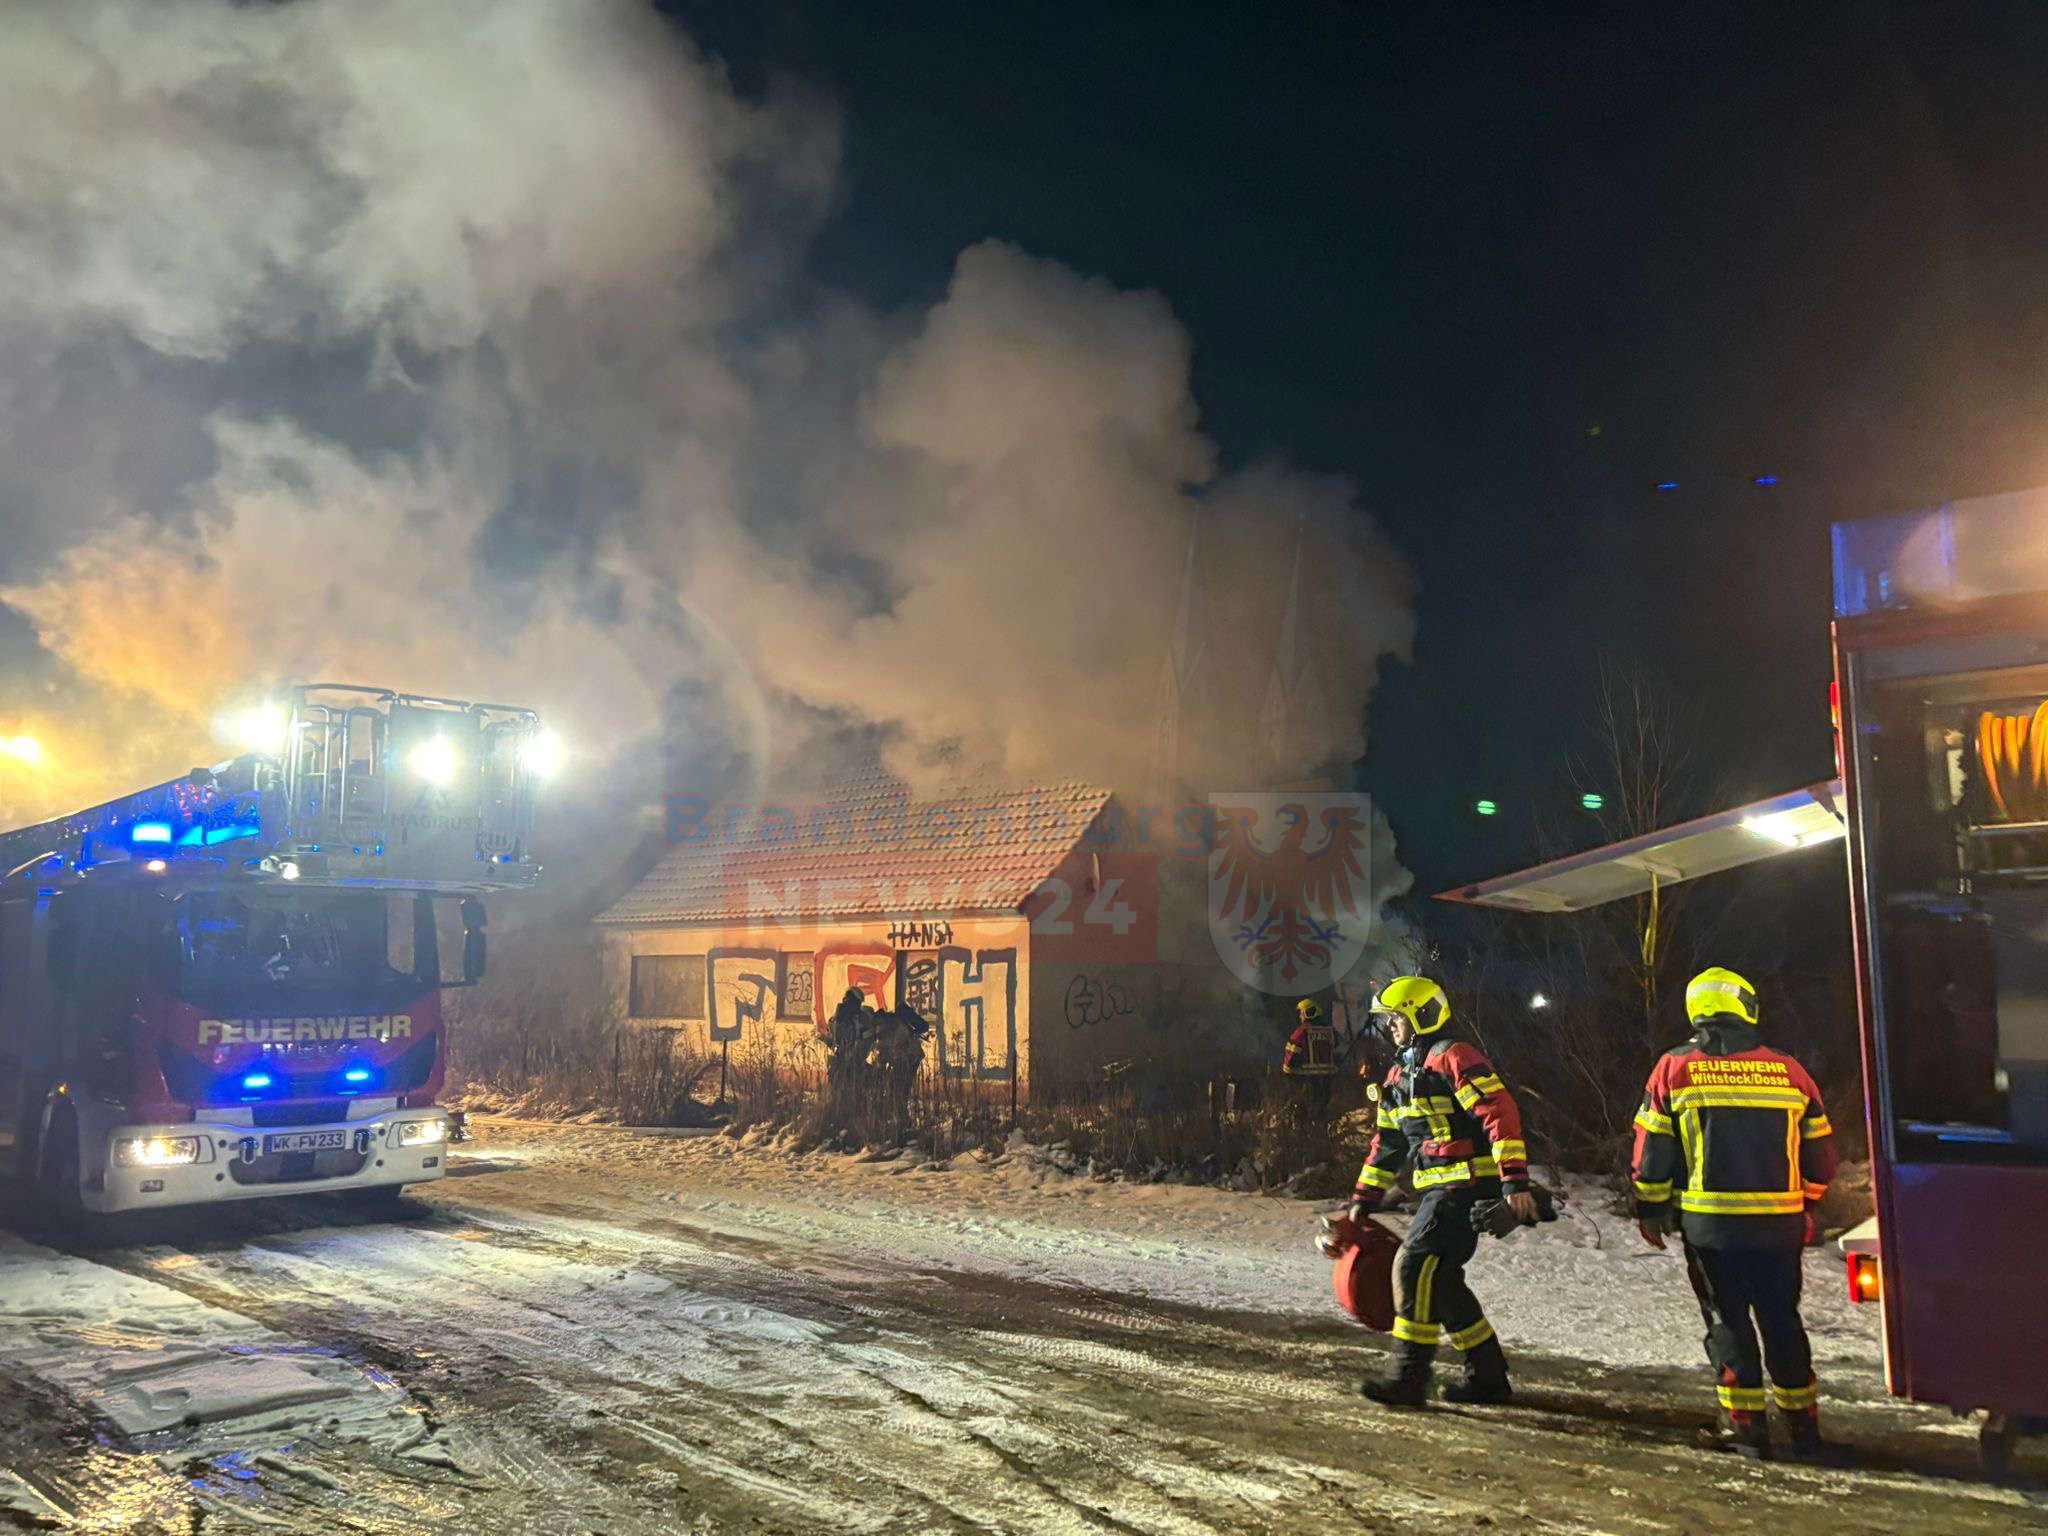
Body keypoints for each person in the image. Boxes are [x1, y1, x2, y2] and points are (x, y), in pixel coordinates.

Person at [1632, 966, 1839, 1460]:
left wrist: (1651, 1208)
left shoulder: (1674, 1068)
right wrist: (1804, 1203)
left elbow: (1651, 1150)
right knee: (1782, 1320)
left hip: (1711, 1231)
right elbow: (1823, 1158)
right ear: (1745, 1006)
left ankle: (1745, 1428)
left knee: (1728, 1323)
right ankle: (1803, 1429)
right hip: (1779, 1229)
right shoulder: (1789, 1070)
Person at [1348, 975, 1534, 1407]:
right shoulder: (1399, 1075)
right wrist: (1364, 1198)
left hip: (1465, 1187)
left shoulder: (1454, 1057)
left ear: (1421, 1015)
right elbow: (1387, 1143)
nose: (1389, 1026)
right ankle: (1488, 1377)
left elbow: (1499, 1111)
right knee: (1444, 1282)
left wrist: (1513, 1180)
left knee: (1412, 1267)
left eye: (1396, 1017)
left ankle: (1408, 1379)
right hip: (1441, 1191)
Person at [1281, 998, 1338, 1115]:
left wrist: (1287, 1071)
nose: (1300, 1016)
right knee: (1323, 1105)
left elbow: (1292, 1052)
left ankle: (1312, 1125)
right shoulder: (1330, 1030)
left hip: (1308, 1077)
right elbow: (1335, 1044)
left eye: (1301, 1013)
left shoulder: (1302, 1031)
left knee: (1310, 1107)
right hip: (1327, 1076)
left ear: (1308, 1013)